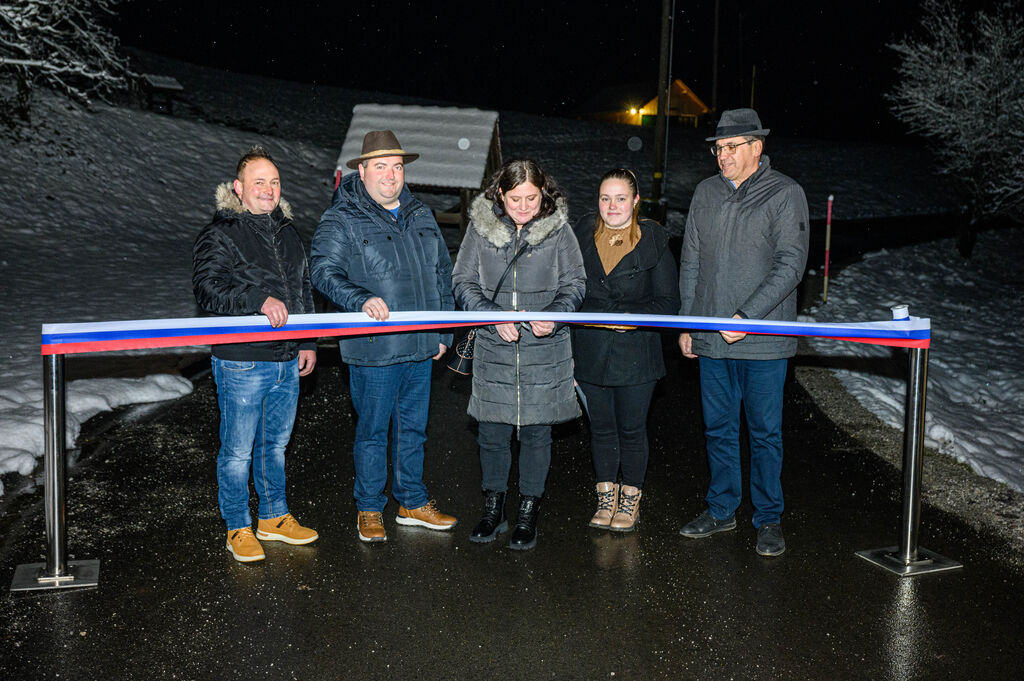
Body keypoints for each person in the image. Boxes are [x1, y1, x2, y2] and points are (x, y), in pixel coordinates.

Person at [311, 130, 457, 543]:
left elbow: (442, 275)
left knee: (414, 430)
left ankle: (412, 501)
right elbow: (322, 270)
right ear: (362, 170)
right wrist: (359, 299)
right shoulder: (342, 217)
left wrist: (443, 330)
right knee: (373, 432)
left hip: (421, 346)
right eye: (381, 166)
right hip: (373, 348)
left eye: (397, 167)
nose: (391, 175)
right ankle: (370, 507)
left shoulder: (421, 214)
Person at [677, 108, 809, 557]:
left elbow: (791, 265)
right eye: (718, 148)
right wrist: (688, 322)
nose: (723, 156)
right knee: (717, 428)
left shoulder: (785, 193)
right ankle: (721, 509)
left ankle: (768, 518)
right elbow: (691, 261)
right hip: (712, 336)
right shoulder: (705, 193)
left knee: (765, 432)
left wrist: (746, 316)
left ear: (757, 147)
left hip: (763, 340)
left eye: (732, 147)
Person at [193, 145, 319, 563]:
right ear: (238, 187)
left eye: (274, 182)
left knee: (275, 446)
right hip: (242, 360)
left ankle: (273, 517)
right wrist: (256, 299)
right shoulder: (221, 233)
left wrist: (308, 341)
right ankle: (237, 526)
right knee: (237, 451)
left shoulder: (287, 232)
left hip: (287, 358)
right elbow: (208, 289)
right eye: (259, 182)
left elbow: (303, 290)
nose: (268, 189)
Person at [452, 159, 586, 550]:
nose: (524, 207)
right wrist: (492, 317)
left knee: (536, 433)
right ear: (500, 194)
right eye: (515, 199)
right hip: (494, 347)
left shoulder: (558, 230)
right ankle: (494, 508)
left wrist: (555, 316)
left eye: (532, 198)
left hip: (544, 350)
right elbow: (462, 282)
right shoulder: (480, 228)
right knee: (492, 432)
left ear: (543, 194)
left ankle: (529, 510)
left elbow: (575, 284)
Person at [572, 168, 679, 532]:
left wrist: (635, 317)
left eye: (620, 198)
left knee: (631, 429)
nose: (612, 206)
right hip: (590, 351)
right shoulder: (581, 235)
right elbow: (567, 292)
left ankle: (630, 498)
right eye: (605, 198)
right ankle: (606, 497)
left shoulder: (653, 241)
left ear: (635, 201)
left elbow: (668, 303)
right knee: (601, 428)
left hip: (636, 355)